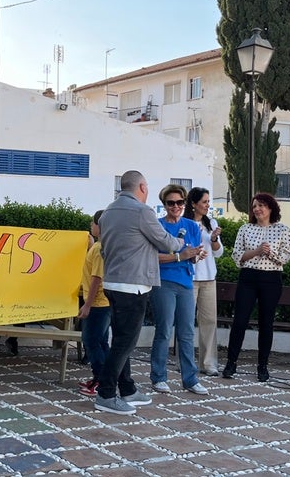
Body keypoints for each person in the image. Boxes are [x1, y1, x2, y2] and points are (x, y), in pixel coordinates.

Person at [96, 170, 184, 415]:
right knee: (125, 342)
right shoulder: (142, 211)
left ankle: (127, 389)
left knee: (121, 339)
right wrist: (180, 243)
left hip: (113, 283)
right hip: (133, 285)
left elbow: (104, 249)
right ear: (142, 187)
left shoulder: (108, 212)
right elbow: (165, 242)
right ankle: (105, 394)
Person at [222, 193, 290, 382]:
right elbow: (237, 256)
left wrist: (270, 253)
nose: (257, 209)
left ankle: (262, 366)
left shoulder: (282, 230)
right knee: (240, 320)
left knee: (266, 323)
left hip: (271, 279)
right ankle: (231, 363)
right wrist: (257, 251)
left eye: (261, 205)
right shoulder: (245, 229)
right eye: (254, 206)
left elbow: (285, 258)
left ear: (271, 208)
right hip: (248, 277)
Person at [150, 184, 208, 395]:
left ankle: (190, 379)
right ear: (164, 205)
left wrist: (196, 255)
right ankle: (158, 377)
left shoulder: (192, 226)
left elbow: (193, 254)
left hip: (185, 282)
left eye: (179, 202)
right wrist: (179, 256)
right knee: (164, 330)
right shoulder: (157, 226)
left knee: (186, 332)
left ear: (185, 203)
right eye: (170, 203)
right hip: (163, 282)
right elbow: (151, 257)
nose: (175, 206)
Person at [184, 187, 224, 376]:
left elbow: (218, 252)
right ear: (193, 204)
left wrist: (214, 238)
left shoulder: (211, 223)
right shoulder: (184, 223)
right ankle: (186, 362)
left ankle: (208, 364)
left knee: (209, 321)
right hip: (189, 278)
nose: (208, 205)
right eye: (205, 202)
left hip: (209, 278)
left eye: (208, 202)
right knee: (186, 322)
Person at [77, 210, 111, 397]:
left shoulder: (99, 249)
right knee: (101, 342)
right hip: (103, 302)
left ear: (100, 226)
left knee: (91, 342)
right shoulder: (99, 246)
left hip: (98, 303)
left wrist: (87, 305)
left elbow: (97, 277)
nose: (91, 226)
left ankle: (101, 381)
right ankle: (103, 379)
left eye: (93, 223)